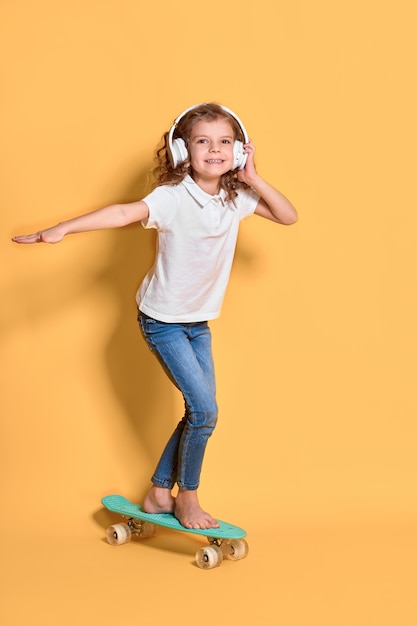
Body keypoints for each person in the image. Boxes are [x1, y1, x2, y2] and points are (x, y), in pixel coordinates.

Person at [13, 102, 298, 530]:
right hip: (162, 321)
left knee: (199, 411)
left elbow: (287, 216)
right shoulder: (171, 198)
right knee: (206, 411)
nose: (215, 150)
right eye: (203, 142)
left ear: (239, 152)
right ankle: (189, 498)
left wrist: (253, 176)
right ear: (183, 151)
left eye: (225, 143)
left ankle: (159, 493)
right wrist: (64, 227)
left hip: (198, 323)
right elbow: (124, 212)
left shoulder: (236, 197)